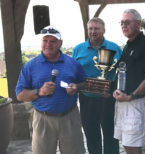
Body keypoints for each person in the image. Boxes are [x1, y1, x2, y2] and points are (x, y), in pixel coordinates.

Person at [15, 26, 86, 154]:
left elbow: (84, 83)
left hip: (69, 117)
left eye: (53, 41)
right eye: (45, 40)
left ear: (60, 43)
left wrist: (76, 87)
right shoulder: (30, 66)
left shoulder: (73, 64)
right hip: (42, 119)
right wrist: (39, 92)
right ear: (41, 42)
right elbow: (20, 95)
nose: (48, 44)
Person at [72, 17, 122, 154]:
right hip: (87, 98)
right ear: (87, 30)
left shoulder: (115, 48)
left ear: (104, 30)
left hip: (108, 98)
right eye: (90, 29)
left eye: (97, 28)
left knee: (111, 135)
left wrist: (118, 88)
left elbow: (124, 71)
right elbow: (73, 72)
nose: (93, 32)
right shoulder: (78, 49)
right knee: (91, 134)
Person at [112, 9, 145, 154]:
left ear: (138, 23)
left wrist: (131, 95)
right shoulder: (128, 45)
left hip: (136, 102)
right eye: (122, 23)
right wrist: (117, 90)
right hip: (123, 102)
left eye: (127, 22)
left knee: (134, 146)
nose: (124, 26)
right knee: (126, 144)